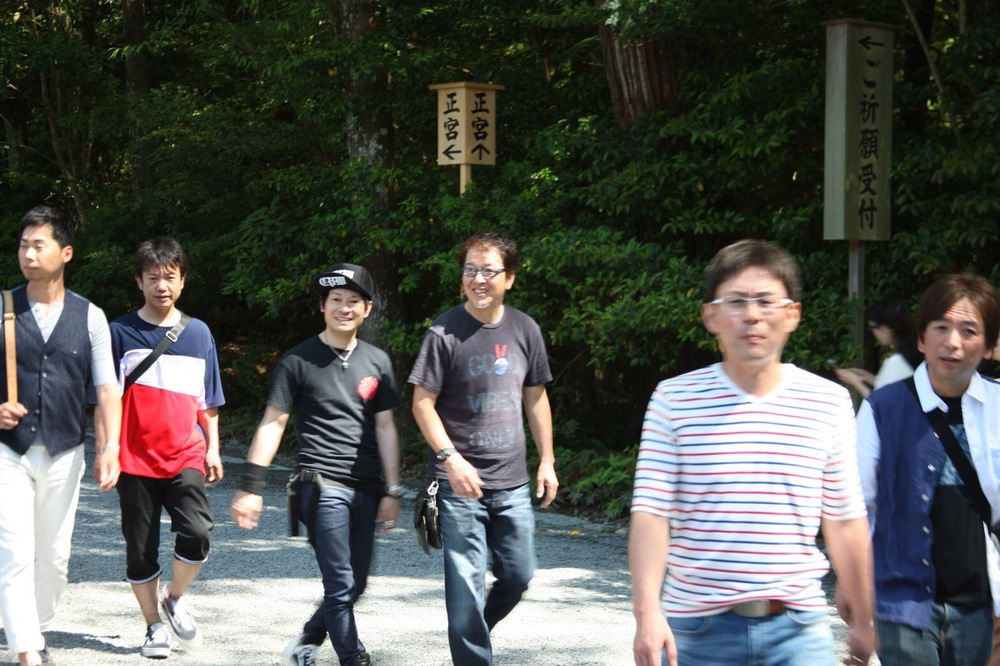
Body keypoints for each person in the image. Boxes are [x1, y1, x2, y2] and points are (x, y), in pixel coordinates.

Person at [628, 239, 874, 666]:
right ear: (711, 315)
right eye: (737, 301)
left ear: (792, 314)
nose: (752, 315)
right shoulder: (674, 399)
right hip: (696, 632)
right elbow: (651, 513)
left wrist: (865, 618)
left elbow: (845, 518)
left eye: (766, 301)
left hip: (798, 631)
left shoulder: (828, 401)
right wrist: (647, 615)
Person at [230, 263, 401, 666]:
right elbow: (273, 423)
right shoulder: (298, 360)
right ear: (322, 306)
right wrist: (251, 487)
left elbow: (385, 427)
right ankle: (353, 657)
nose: (344, 308)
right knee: (340, 585)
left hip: (367, 487)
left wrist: (393, 490)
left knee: (356, 584)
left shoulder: (378, 361)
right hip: (320, 486)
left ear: (367, 309)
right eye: (336, 300)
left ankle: (307, 640)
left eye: (353, 301)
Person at [408, 231, 559, 666]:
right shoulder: (443, 331)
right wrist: (451, 460)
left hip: (511, 482)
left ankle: (473, 632)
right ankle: (472, 649)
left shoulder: (525, 329)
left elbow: (536, 397)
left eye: (488, 271)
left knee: (519, 575)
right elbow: (422, 403)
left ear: (509, 278)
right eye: (470, 270)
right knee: (466, 590)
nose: (478, 279)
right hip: (458, 484)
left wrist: (547, 460)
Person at [0, 205, 122, 666]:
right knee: (14, 550)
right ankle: (27, 650)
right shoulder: (2, 308)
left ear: (65, 252)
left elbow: (107, 389)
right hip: (7, 451)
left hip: (65, 451)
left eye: (39, 245)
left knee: (53, 556)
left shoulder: (90, 316)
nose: (28, 254)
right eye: (23, 246)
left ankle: (35, 626)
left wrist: (110, 446)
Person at [857, 273, 1000, 666]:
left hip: (979, 601)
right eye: (941, 327)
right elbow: (858, 504)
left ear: (990, 345)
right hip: (902, 600)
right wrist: (855, 586)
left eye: (969, 331)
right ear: (921, 339)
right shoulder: (882, 408)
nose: (952, 342)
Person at [99, 237, 225, 659]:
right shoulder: (118, 333)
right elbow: (105, 399)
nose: (161, 285)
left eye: (170, 277)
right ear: (139, 281)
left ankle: (174, 598)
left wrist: (213, 448)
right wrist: (107, 449)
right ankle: (153, 626)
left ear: (183, 280)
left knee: (197, 531)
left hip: (185, 453)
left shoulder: (199, 333)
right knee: (140, 549)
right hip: (133, 458)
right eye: (152, 277)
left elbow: (208, 400)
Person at [835, 297, 922, 397]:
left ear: (887, 328)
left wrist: (855, 382)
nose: (873, 332)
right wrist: (866, 377)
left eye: (874, 327)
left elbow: (878, 403)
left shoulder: (896, 362)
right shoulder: (910, 354)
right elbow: (893, 386)